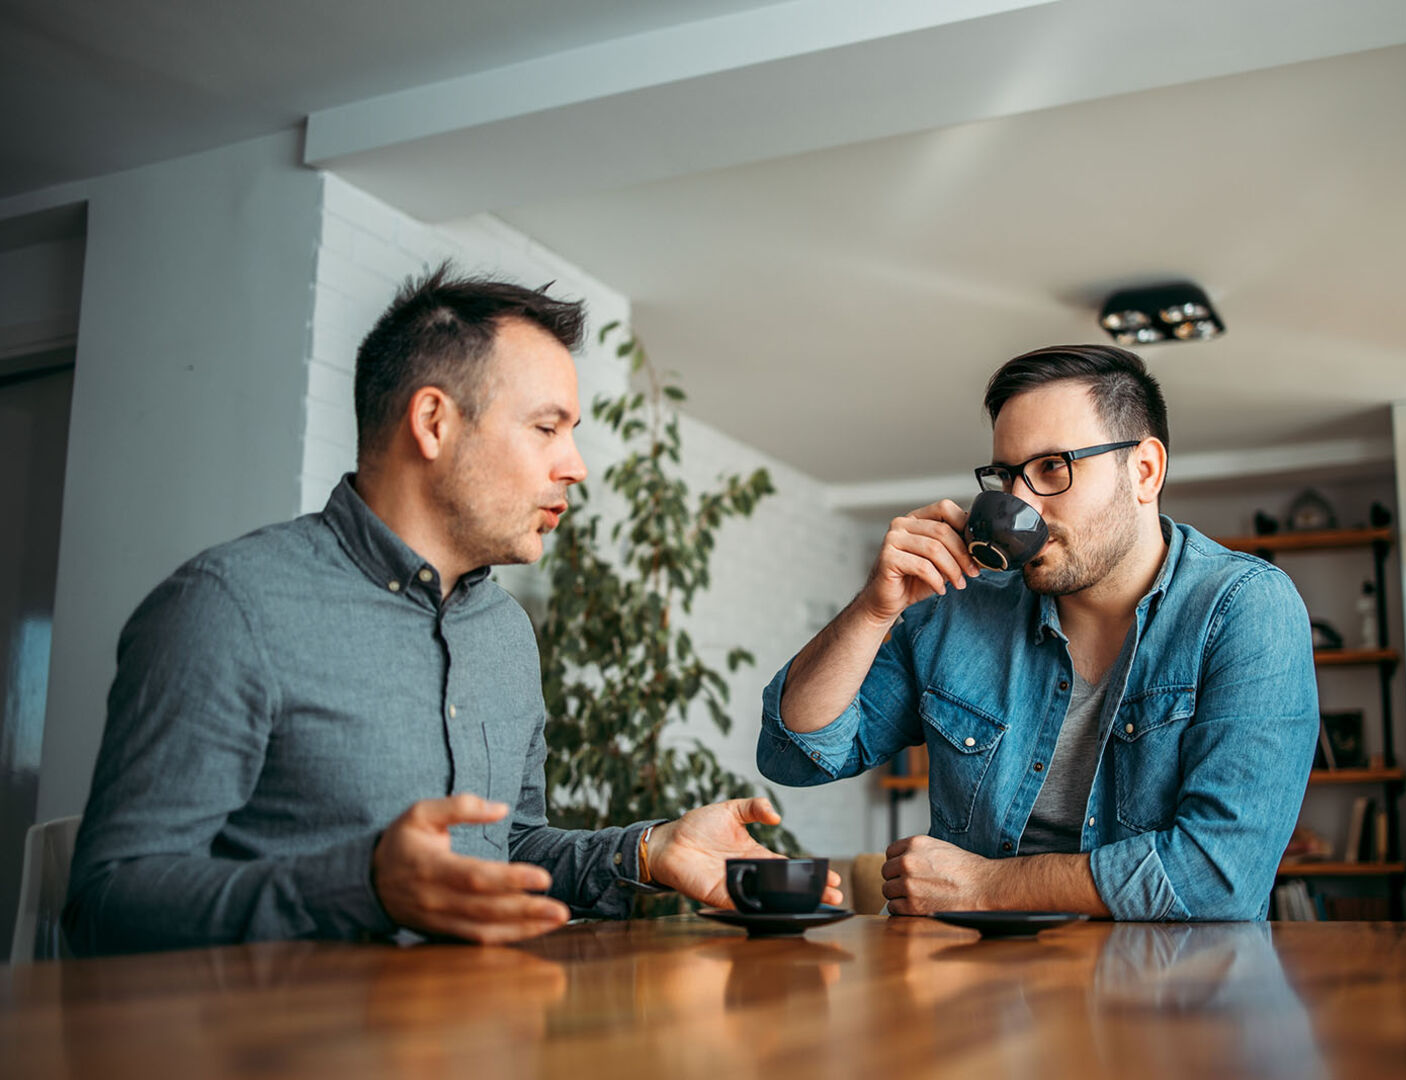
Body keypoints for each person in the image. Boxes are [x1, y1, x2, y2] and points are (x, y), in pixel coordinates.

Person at [65, 265, 838, 955]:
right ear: (433, 422)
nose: (575, 467)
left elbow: (507, 850)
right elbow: (108, 902)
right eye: (547, 428)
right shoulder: (226, 607)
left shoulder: (503, 631)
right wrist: (361, 884)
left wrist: (646, 851)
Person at [756, 345, 1317, 921]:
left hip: (1160, 992)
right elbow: (792, 754)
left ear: (1144, 471)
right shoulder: (958, 611)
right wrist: (875, 610)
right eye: (1005, 476)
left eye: (1053, 468)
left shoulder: (1245, 609)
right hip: (967, 987)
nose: (1020, 504)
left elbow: (1219, 877)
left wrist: (984, 887)